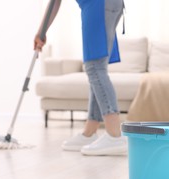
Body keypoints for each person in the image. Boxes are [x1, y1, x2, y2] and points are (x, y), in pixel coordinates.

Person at [34, 0, 127, 156]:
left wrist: (41, 32)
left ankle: (114, 135)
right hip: (111, 4)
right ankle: (89, 133)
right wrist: (41, 32)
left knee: (95, 68)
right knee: (97, 69)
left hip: (97, 5)